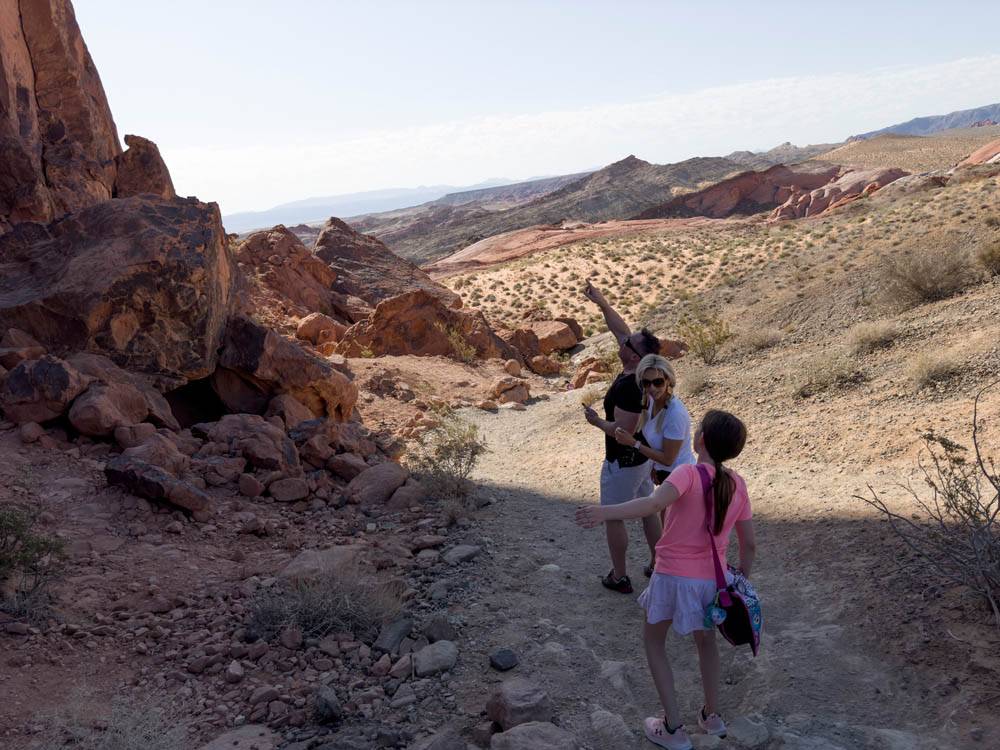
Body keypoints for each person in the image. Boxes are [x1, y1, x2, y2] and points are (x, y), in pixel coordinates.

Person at [575, 410, 756, 749]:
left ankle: (673, 728)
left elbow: (651, 504)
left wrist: (604, 512)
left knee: (654, 642)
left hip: (673, 576)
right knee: (707, 644)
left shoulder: (688, 474)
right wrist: (741, 581)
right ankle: (711, 716)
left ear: (700, 439)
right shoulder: (737, 484)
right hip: (713, 583)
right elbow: (750, 544)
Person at [581, 280, 663, 594]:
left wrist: (596, 421)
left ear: (632, 355)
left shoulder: (631, 387)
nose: (624, 339)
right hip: (641, 458)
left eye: (629, 341)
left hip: (624, 461)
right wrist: (601, 302)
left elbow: (622, 431)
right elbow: (621, 328)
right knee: (647, 508)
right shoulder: (639, 369)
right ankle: (658, 563)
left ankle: (619, 575)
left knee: (613, 516)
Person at [613, 353, 696, 575]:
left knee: (672, 534)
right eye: (646, 382)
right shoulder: (651, 404)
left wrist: (634, 445)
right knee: (666, 530)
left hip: (681, 479)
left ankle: (670, 575)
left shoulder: (675, 414)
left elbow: (669, 457)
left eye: (658, 381)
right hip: (667, 477)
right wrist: (653, 467)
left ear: (669, 380)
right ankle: (659, 567)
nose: (652, 387)